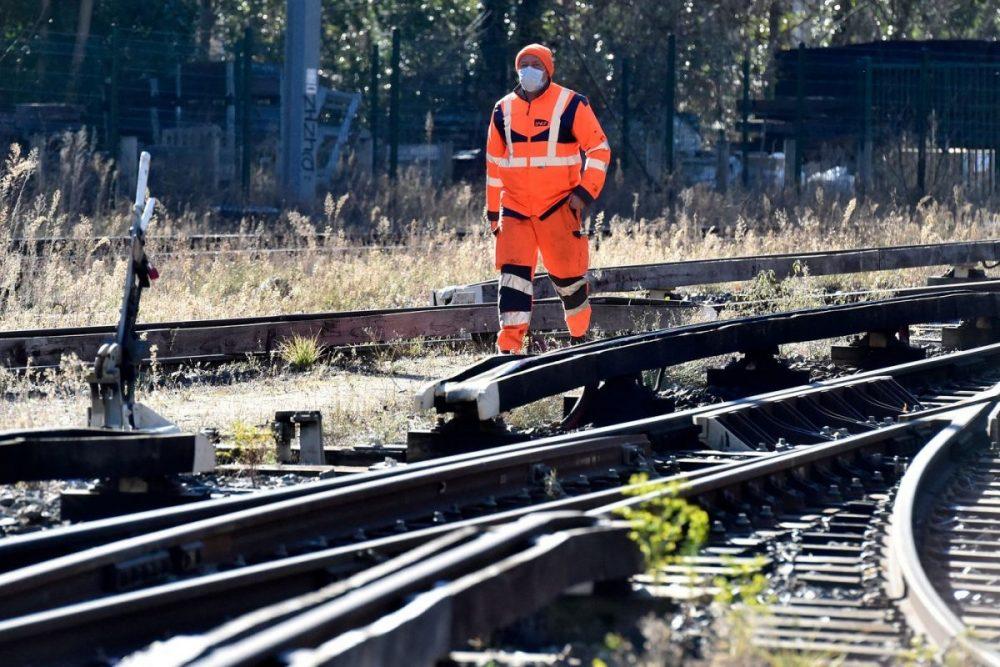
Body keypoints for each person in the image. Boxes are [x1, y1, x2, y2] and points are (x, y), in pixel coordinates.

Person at [485, 43, 611, 354]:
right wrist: (492, 211)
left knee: (570, 283)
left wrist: (583, 193)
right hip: (514, 210)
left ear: (548, 70)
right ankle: (508, 350)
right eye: (523, 63)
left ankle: (580, 340)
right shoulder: (502, 109)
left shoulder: (571, 104)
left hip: (558, 207)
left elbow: (599, 149)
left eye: (535, 64)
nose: (528, 69)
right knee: (512, 281)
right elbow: (493, 165)